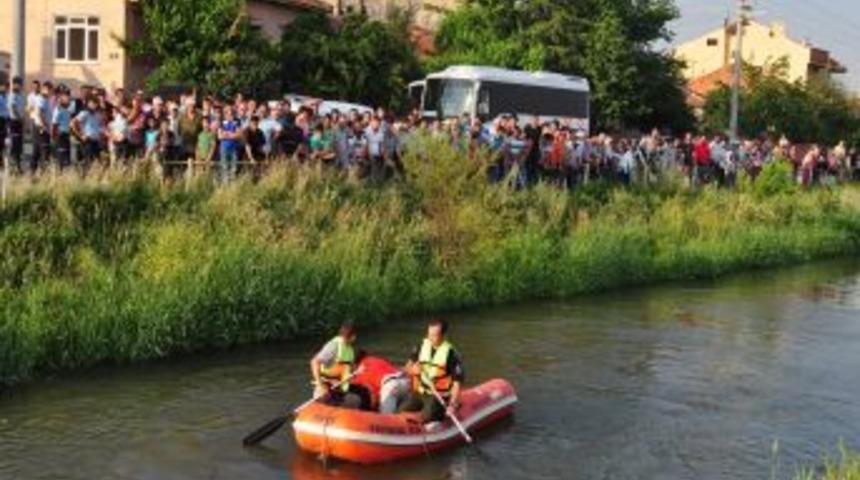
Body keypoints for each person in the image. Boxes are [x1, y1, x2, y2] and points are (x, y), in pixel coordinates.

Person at [398, 319, 465, 424]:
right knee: (400, 411)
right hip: (420, 392)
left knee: (427, 417)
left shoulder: (451, 354)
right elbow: (406, 368)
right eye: (429, 334)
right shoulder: (421, 346)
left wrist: (452, 404)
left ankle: (447, 410)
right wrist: (412, 370)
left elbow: (457, 383)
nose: (430, 338)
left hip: (439, 395)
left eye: (434, 335)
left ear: (443, 335)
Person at [310, 323, 371, 410]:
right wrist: (320, 384)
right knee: (329, 401)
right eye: (355, 336)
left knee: (364, 392)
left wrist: (356, 372)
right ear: (353, 336)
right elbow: (314, 362)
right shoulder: (334, 346)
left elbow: (347, 371)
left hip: (340, 386)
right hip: (326, 385)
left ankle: (366, 417)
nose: (355, 339)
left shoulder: (350, 350)